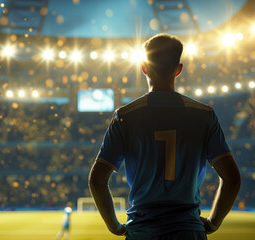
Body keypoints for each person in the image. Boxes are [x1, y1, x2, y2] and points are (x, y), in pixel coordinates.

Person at [88, 33, 241, 239]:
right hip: (188, 231)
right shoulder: (204, 115)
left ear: (144, 67)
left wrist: (114, 227)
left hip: (142, 232)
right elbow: (232, 179)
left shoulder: (125, 116)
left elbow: (97, 180)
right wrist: (213, 223)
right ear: (178, 70)